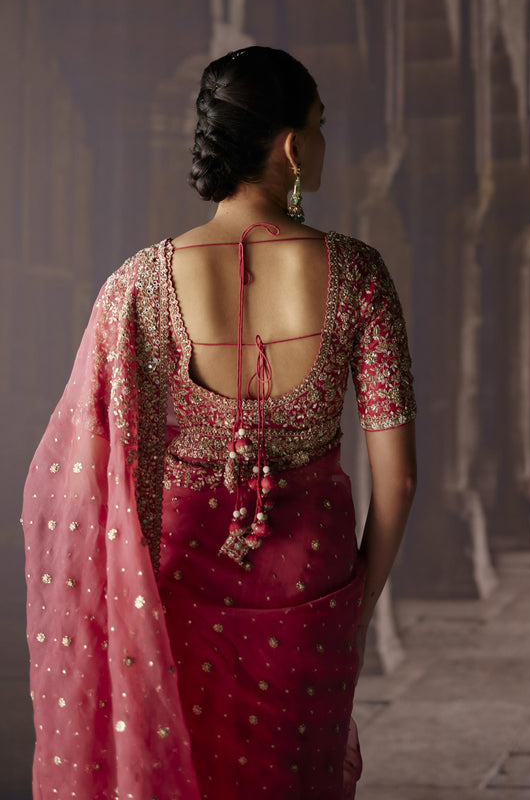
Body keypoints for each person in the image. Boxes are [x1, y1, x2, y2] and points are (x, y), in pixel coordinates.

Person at [22, 46, 418, 800]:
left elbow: (80, 484)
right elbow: (397, 479)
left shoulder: (135, 286)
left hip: (168, 595)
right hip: (315, 587)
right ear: (293, 147)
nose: (325, 143)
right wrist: (363, 597)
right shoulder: (359, 275)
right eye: (320, 127)